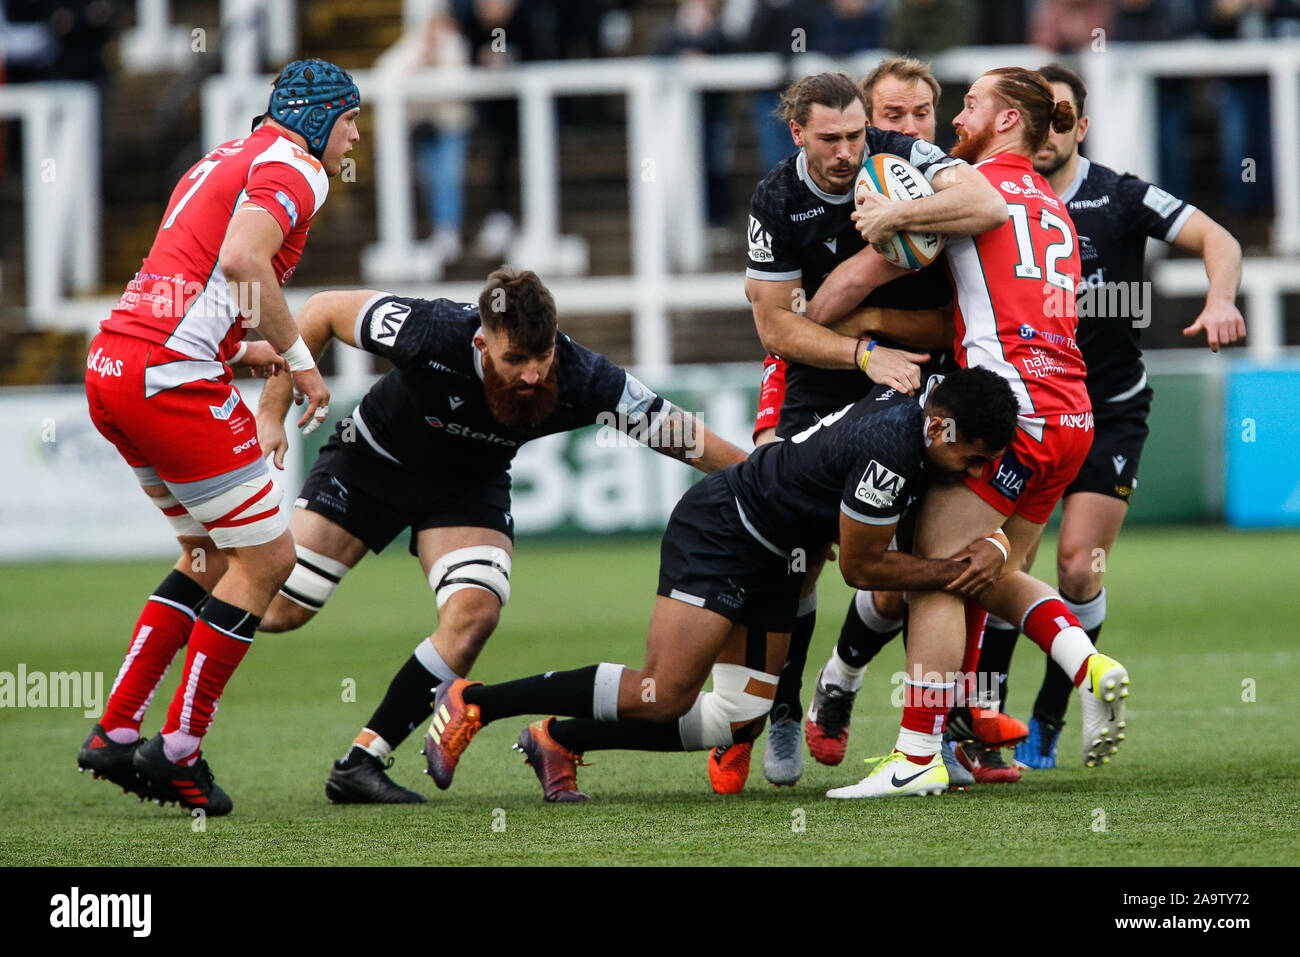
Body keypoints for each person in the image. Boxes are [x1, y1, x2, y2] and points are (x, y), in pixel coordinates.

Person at [254, 267, 748, 804]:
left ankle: (361, 762)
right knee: (281, 610)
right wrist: (271, 411)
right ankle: (188, 600)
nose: (533, 375)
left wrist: (769, 483)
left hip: (468, 486)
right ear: (480, 341)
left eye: (543, 358)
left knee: (474, 616)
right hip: (371, 462)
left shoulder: (583, 377)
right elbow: (322, 309)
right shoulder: (431, 329)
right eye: (515, 360)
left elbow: (679, 432)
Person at [416, 368, 1020, 802]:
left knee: (735, 716)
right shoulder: (892, 450)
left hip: (779, 552)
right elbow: (861, 571)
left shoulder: (927, 400)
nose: (975, 474)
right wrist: (955, 570)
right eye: (973, 458)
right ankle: (475, 702)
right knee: (663, 692)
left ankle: (556, 738)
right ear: (939, 428)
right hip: (724, 530)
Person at [824, 67, 1132, 798]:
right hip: (1072, 415)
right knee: (988, 576)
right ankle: (1086, 667)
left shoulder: (972, 182)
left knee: (938, 570)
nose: (958, 115)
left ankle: (916, 755)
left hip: (1013, 409)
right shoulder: (1053, 203)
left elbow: (892, 252)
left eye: (971, 103)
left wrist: (885, 218)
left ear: (1004, 122)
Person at [77, 60, 360, 815]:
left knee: (206, 556)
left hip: (114, 362)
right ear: (317, 118)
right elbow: (241, 260)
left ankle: (115, 727)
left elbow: (195, 280)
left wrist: (245, 350)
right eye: (349, 118)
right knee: (269, 557)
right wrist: (301, 362)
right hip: (167, 377)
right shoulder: (298, 167)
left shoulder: (222, 156)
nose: (356, 134)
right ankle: (177, 749)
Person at [731, 66, 1007, 791]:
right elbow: (777, 327)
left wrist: (895, 222)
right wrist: (861, 351)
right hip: (825, 378)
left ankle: (923, 732)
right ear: (798, 133)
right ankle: (776, 707)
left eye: (858, 133)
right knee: (796, 557)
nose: (849, 150)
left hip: (919, 369)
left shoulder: (900, 155)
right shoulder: (776, 196)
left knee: (913, 559)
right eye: (831, 138)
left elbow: (986, 202)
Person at [1000, 63, 1244, 769]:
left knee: (1078, 567)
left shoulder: (1119, 194)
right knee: (1003, 565)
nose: (1050, 130)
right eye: (1036, 115)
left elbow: (1218, 240)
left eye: (1064, 116)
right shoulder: (989, 196)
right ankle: (976, 718)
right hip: (1023, 413)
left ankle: (1051, 706)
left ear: (1084, 124)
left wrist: (1221, 297)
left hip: (1107, 411)